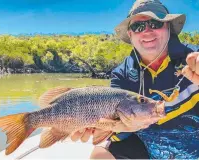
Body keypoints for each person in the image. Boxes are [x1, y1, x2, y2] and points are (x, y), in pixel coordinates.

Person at [71, 0, 199, 159]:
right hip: (149, 149)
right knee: (100, 154)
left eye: (155, 24)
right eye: (138, 27)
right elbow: (120, 128)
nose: (146, 31)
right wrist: (100, 128)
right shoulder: (121, 74)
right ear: (130, 35)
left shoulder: (194, 58)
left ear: (168, 27)